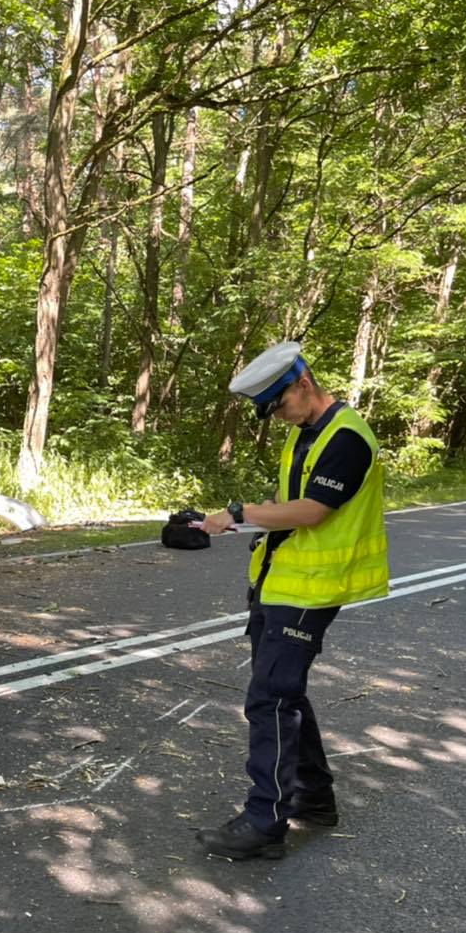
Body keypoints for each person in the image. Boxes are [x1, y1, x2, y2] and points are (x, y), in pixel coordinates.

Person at [194, 341, 389, 860]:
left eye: (279, 405)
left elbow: (312, 511)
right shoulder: (308, 433)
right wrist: (246, 518)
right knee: (285, 696)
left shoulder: (347, 438)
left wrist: (237, 513)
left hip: (311, 590)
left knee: (270, 700)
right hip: (281, 582)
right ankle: (315, 800)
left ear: (303, 384)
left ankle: (264, 823)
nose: (278, 418)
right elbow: (288, 501)